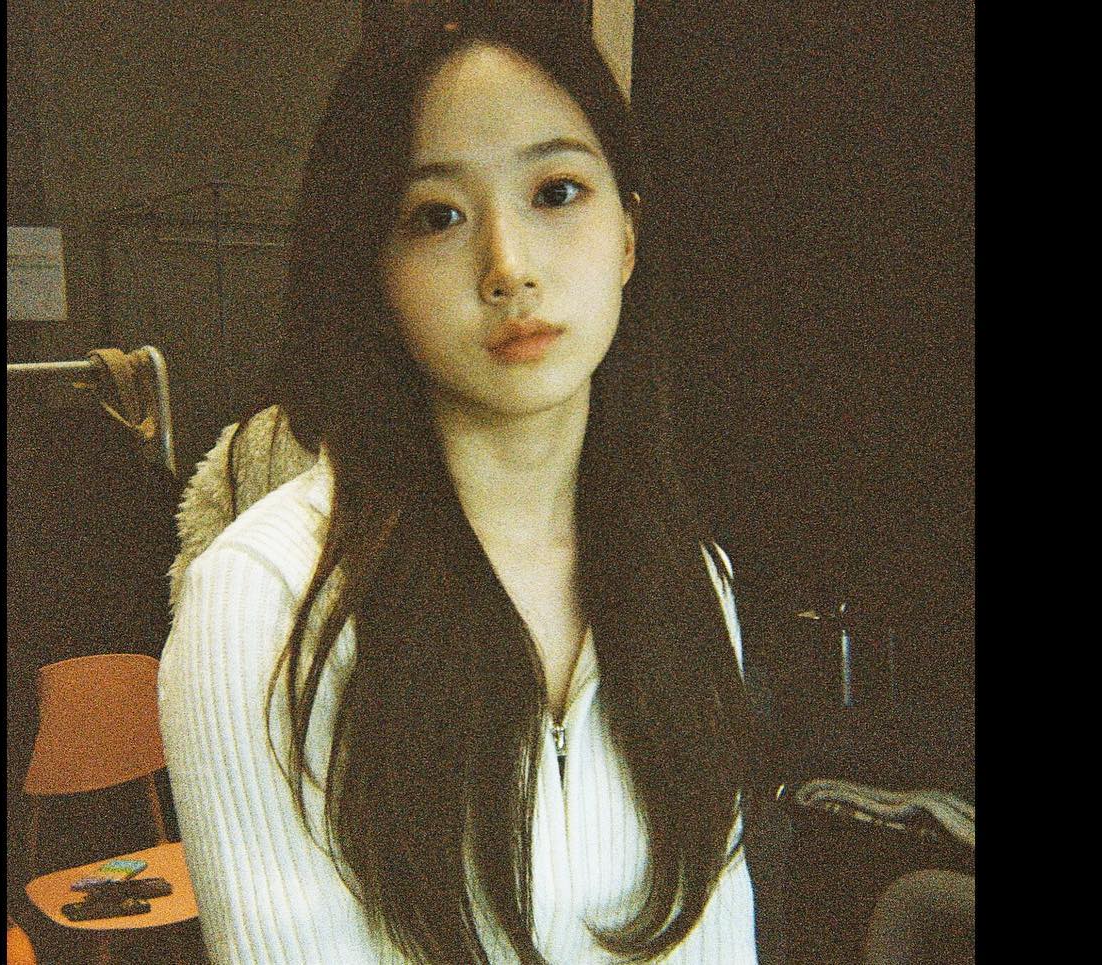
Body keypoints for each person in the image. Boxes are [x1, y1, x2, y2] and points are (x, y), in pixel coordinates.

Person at [159, 4, 761, 962]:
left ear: (628, 236)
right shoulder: (263, 606)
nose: (509, 266)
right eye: (437, 216)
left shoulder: (693, 579)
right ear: (374, 272)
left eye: (557, 191)